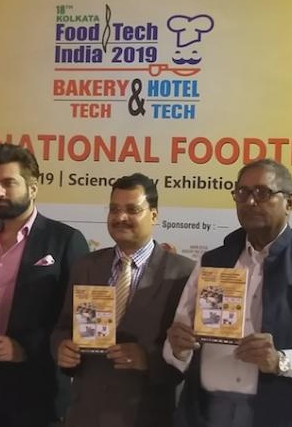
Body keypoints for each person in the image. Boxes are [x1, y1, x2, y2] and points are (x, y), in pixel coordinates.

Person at [164, 159, 292, 427]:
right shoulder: (211, 262)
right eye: (242, 193)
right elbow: (177, 347)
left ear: (289, 203)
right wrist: (178, 349)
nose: (250, 202)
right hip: (207, 412)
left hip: (289, 416)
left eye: (263, 193)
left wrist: (282, 361)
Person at [0, 143, 89, 427]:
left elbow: (77, 320)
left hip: (38, 392)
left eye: (8, 183)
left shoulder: (65, 240)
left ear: (33, 188)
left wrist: (25, 349)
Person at [51, 173, 194, 427]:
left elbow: (189, 352)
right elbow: (63, 327)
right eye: (114, 209)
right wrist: (62, 348)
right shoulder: (86, 266)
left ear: (154, 215)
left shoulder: (182, 273)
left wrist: (148, 360)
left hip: (146, 415)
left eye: (132, 210)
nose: (120, 217)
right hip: (86, 413)